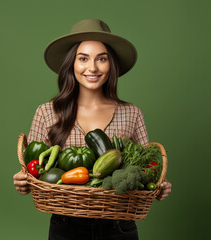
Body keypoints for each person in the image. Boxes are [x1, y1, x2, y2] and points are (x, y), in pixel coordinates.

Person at [13, 19, 172, 240]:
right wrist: (23, 181)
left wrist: (160, 186)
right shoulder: (46, 112)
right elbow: (34, 172)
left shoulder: (132, 113)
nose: (93, 67)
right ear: (72, 64)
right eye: (83, 58)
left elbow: (148, 168)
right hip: (66, 226)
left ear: (111, 64)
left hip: (120, 226)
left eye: (102, 59)